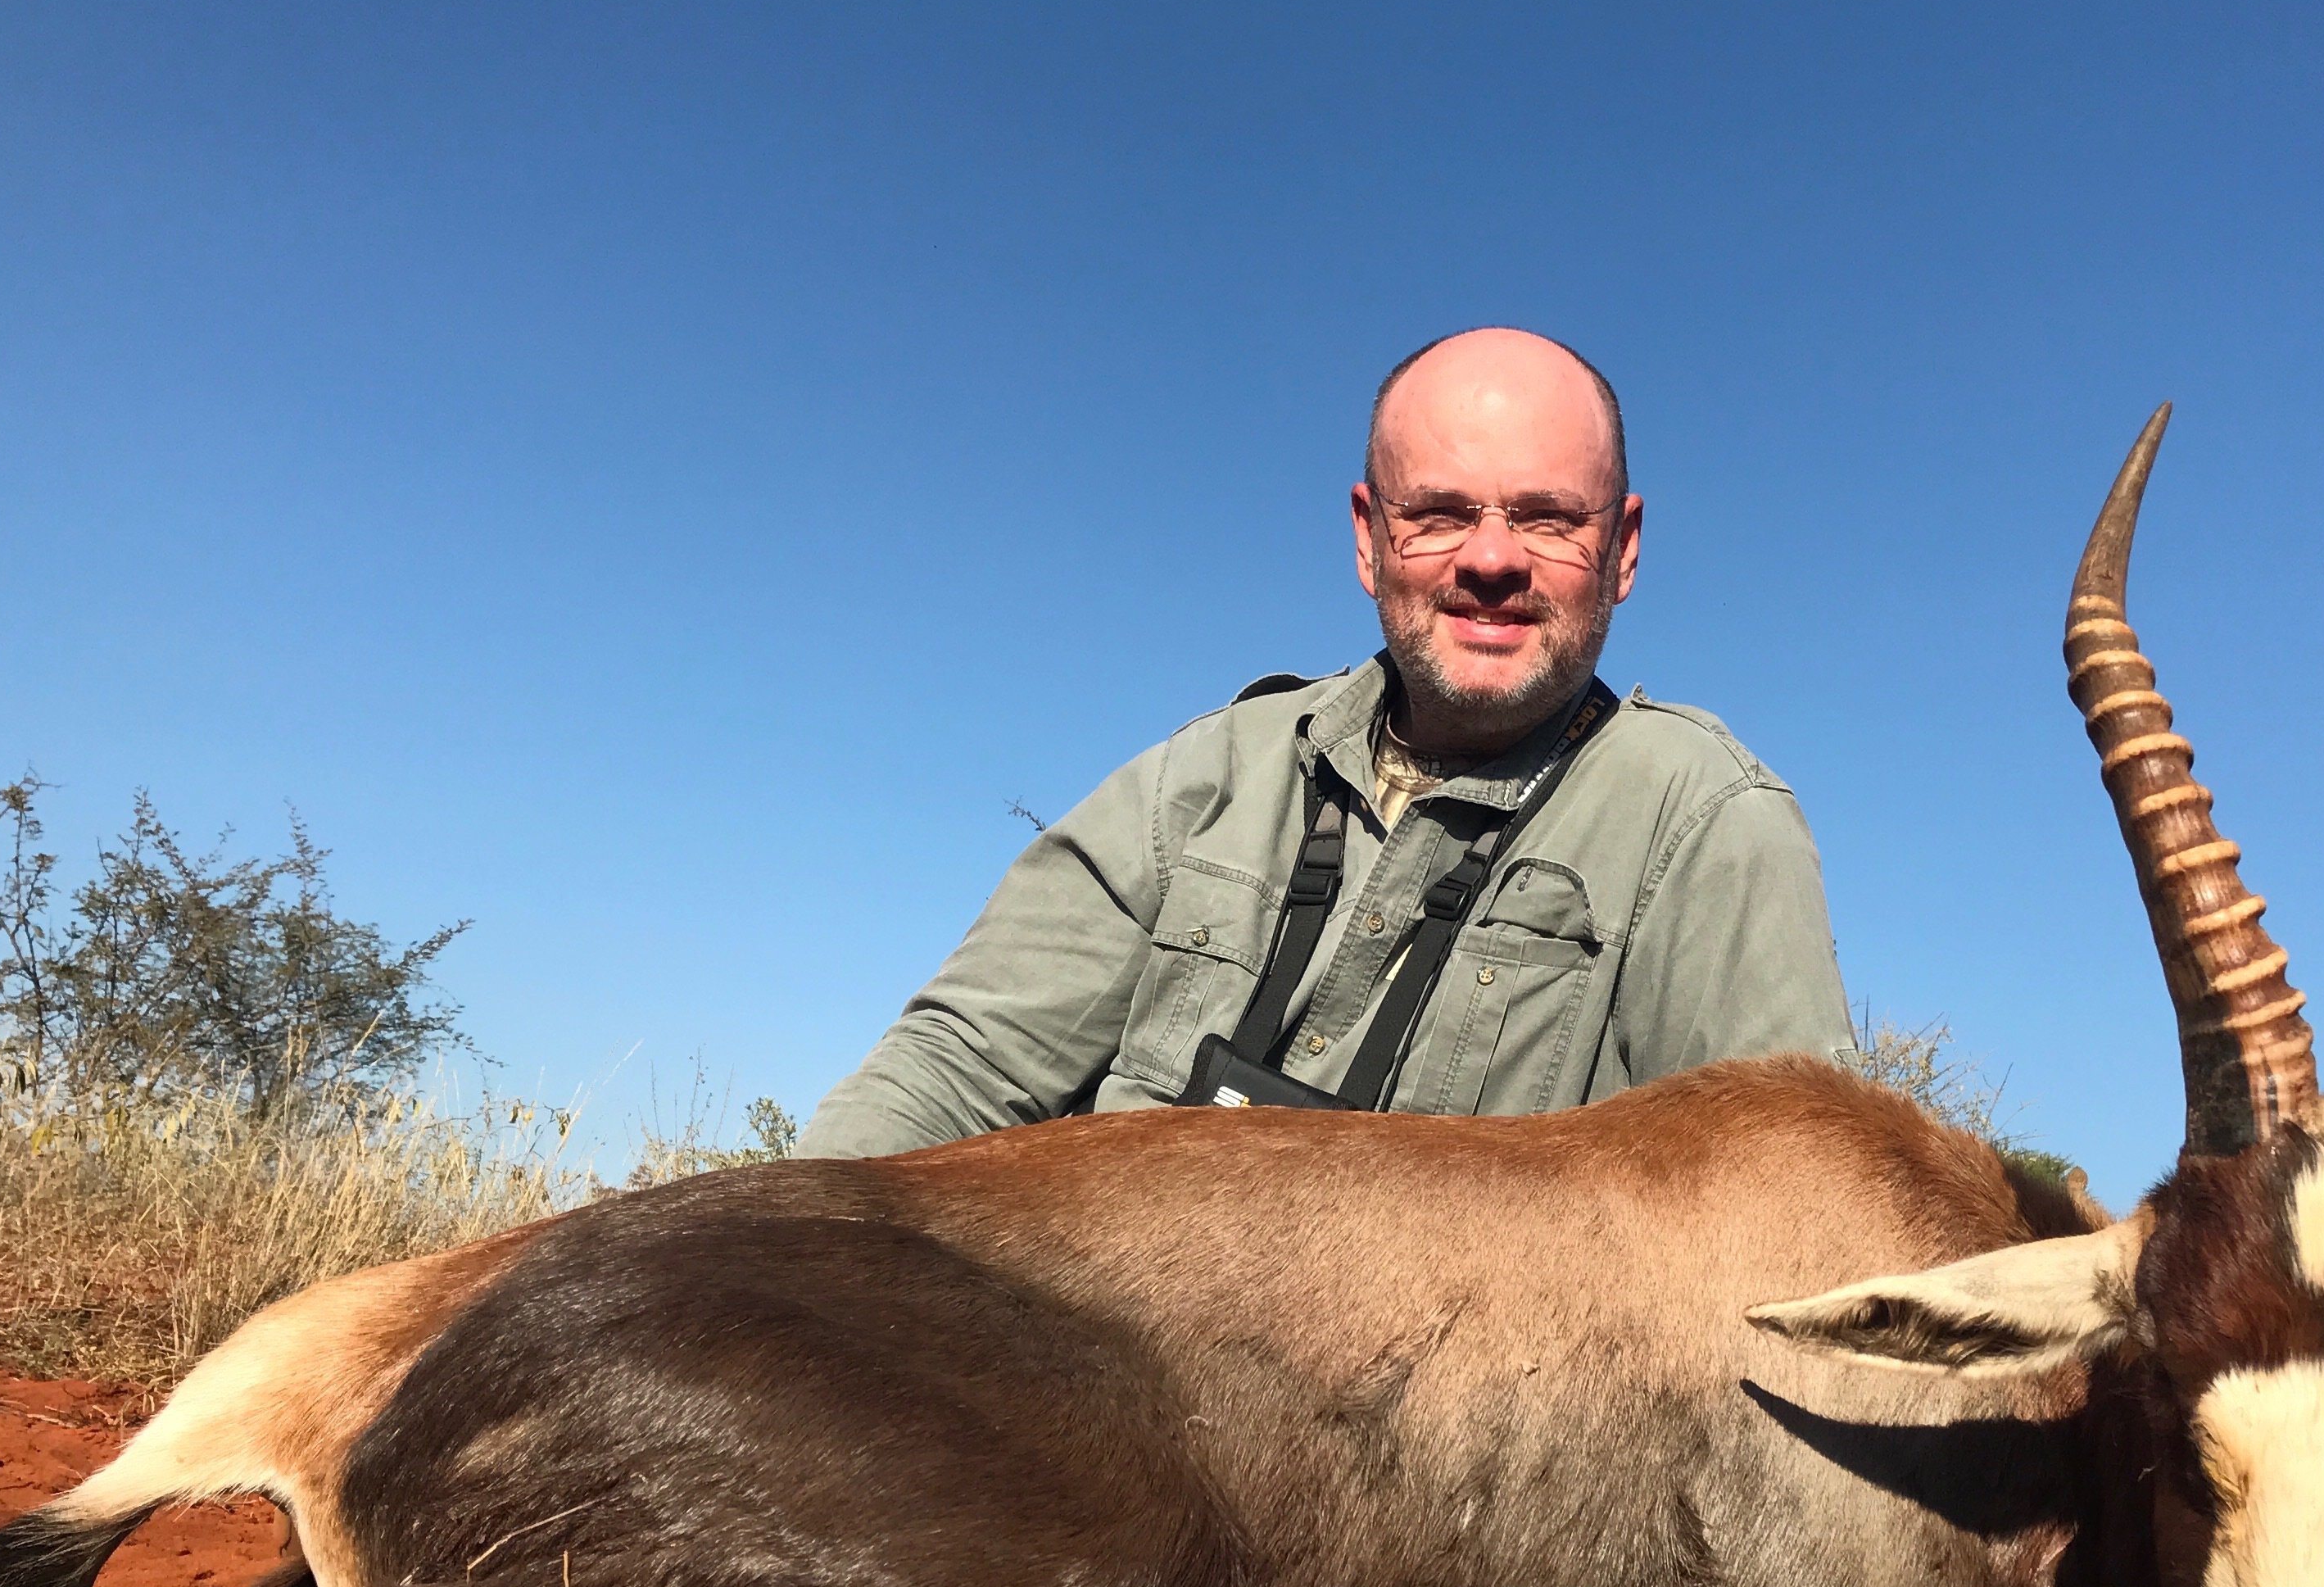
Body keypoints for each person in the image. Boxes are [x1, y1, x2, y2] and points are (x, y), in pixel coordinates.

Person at [796, 326, 1858, 1156]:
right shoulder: (1210, 776)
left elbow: (1785, 1210)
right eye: (1439, 513)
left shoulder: (1707, 826)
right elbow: (957, 1070)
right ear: (1368, 538)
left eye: (1546, 519)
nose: (1491, 560)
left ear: (1621, 550)